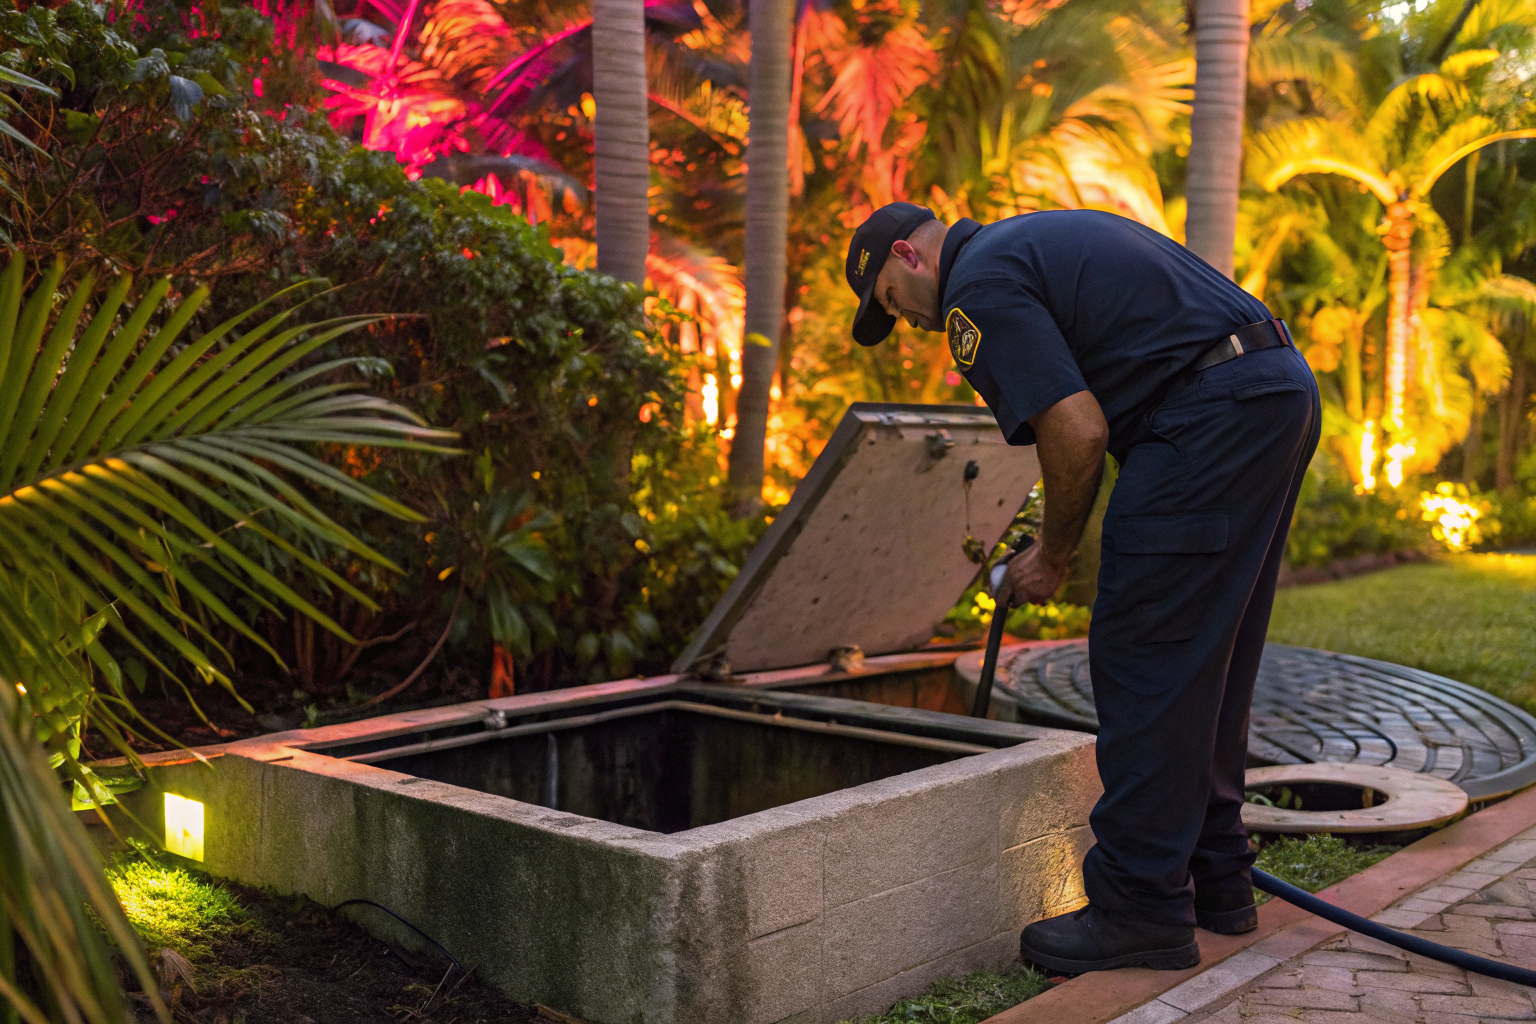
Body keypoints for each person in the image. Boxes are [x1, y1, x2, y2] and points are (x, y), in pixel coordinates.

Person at [842, 202, 1320, 974]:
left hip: (1203, 417)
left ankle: (1139, 910)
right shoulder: (1025, 242)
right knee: (1208, 659)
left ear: (909, 253)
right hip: (1271, 388)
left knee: (1145, 660)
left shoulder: (977, 289)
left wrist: (1052, 555)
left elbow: (1077, 429)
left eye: (891, 300)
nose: (907, 322)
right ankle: (1215, 877)